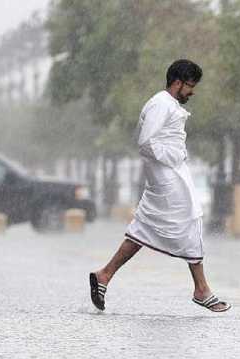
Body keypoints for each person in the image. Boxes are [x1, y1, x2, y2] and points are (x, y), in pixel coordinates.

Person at [89, 59, 231, 313]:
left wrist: (173, 158)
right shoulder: (160, 104)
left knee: (146, 227)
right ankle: (201, 289)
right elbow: (144, 141)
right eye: (190, 85)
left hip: (170, 175)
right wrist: (171, 158)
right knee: (190, 220)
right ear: (177, 82)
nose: (192, 91)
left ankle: (105, 275)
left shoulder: (165, 103)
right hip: (168, 178)